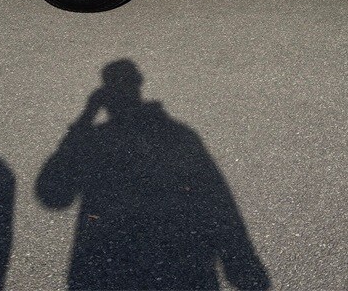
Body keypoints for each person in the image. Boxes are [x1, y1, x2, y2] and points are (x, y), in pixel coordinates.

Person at [36, 60, 270, 290]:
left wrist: (85, 118)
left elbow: (53, 194)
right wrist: (241, 263)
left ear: (104, 95)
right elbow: (216, 200)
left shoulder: (94, 141)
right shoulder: (178, 136)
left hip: (107, 268)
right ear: (139, 84)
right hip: (180, 267)